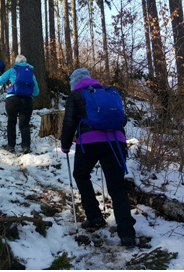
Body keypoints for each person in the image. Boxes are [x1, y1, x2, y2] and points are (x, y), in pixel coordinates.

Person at [60, 68, 136, 247]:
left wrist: (65, 145)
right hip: (116, 142)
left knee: (81, 175)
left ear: (74, 82)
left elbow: (69, 122)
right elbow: (122, 120)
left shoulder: (76, 94)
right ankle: (127, 234)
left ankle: (94, 216)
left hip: (89, 142)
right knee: (117, 188)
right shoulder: (108, 93)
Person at [0, 55, 39, 154]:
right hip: (27, 101)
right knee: (25, 125)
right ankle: (26, 146)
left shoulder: (11, 71)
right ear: (26, 63)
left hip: (12, 100)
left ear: (16, 62)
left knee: (11, 122)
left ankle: (11, 146)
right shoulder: (31, 74)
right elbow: (36, 92)